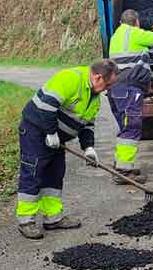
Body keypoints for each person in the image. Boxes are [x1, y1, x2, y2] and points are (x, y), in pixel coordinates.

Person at [16, 60, 119, 239]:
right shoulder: (70, 78)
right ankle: (26, 221)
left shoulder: (94, 97)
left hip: (56, 139)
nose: (107, 90)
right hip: (36, 131)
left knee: (55, 174)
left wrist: (88, 148)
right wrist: (50, 132)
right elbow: (46, 105)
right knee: (33, 172)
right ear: (98, 77)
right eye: (107, 85)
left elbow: (87, 124)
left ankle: (53, 218)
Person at [106, 9, 153, 183]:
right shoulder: (136, 33)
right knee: (131, 126)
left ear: (120, 23)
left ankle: (121, 165)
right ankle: (124, 172)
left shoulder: (116, 36)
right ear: (137, 22)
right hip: (129, 88)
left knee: (125, 127)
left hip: (116, 89)